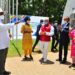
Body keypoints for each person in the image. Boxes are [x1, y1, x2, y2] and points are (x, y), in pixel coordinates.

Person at [0, 8, 19, 75]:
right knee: (1, 60)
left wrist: (8, 34)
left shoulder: (1, 21)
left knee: (3, 60)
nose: (2, 15)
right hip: (1, 46)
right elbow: (2, 27)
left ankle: (3, 70)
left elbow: (3, 29)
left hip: (4, 44)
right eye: (1, 13)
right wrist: (13, 24)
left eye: (2, 13)